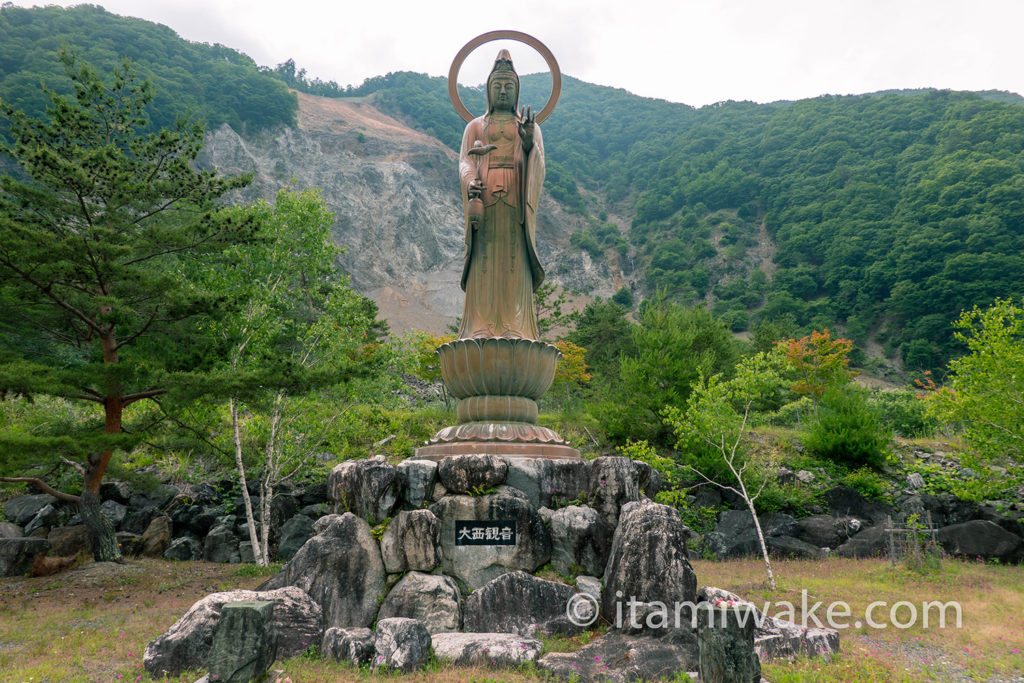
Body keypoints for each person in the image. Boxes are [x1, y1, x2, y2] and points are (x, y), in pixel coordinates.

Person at [457, 49, 545, 340]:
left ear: (518, 91)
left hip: (516, 199)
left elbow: (539, 162)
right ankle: (480, 325)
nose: (504, 91)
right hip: (485, 200)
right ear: (488, 91)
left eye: (509, 86)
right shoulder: (475, 127)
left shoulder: (529, 127)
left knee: (512, 261)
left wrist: (529, 143)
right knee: (484, 261)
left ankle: (514, 324)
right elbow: (465, 161)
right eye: (498, 86)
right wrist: (471, 182)